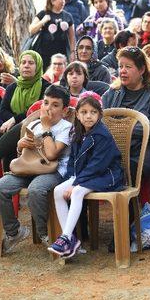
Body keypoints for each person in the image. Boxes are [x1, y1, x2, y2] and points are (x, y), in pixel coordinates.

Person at [0, 85, 73, 253]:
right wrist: (20, 145)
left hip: (53, 171)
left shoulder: (66, 127)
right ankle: (14, 232)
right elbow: (24, 154)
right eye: (46, 102)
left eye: (55, 105)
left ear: (64, 111)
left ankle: (44, 233)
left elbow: (51, 155)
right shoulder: (35, 123)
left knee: (36, 190)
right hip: (29, 169)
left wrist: (47, 128)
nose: (48, 108)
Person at [49, 92, 123, 257]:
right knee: (58, 191)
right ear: (77, 115)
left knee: (77, 192)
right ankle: (69, 240)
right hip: (85, 176)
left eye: (93, 112)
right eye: (84, 112)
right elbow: (72, 161)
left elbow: (97, 166)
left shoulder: (102, 135)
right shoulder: (77, 133)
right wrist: (71, 178)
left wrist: (75, 184)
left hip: (107, 175)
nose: (88, 116)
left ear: (99, 114)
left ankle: (66, 237)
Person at [102, 46, 150, 191]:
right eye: (120, 66)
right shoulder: (112, 93)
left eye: (128, 66)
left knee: (124, 168)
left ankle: (128, 211)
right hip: (116, 148)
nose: (122, 71)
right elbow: (100, 121)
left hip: (148, 148)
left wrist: (120, 130)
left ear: (142, 70)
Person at [0, 50, 52, 174]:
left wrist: (14, 120)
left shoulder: (46, 87)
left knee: (17, 128)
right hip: (13, 129)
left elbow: (36, 111)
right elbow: (3, 110)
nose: (26, 65)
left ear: (38, 66)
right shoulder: (13, 87)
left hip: (38, 127)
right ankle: (9, 174)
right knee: (8, 132)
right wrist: (13, 121)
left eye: (31, 63)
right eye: (23, 62)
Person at [28, 0, 75, 69]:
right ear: (52, 1)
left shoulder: (68, 16)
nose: (63, 1)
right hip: (44, 52)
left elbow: (72, 37)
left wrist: (72, 52)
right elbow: (31, 30)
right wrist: (43, 21)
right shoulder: (43, 13)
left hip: (61, 53)